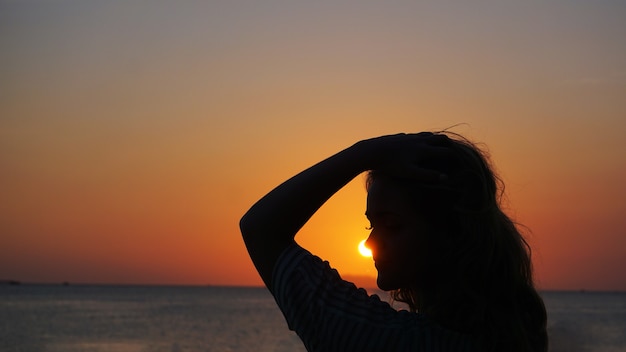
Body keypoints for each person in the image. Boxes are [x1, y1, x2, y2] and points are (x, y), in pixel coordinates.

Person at [240, 132, 548, 351]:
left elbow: (261, 229)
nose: (372, 242)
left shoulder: (391, 340)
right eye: (370, 225)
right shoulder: (519, 336)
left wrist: (364, 153)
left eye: (392, 225)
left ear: (452, 232)